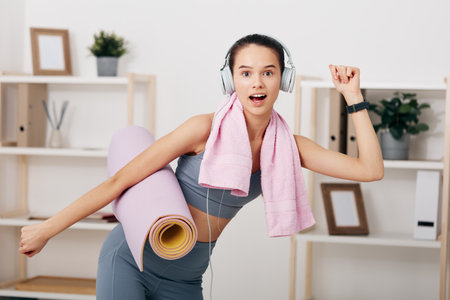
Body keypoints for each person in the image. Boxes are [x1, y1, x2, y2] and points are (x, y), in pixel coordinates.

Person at [19, 34, 384, 299]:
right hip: (131, 257)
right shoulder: (203, 130)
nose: (257, 82)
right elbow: (120, 181)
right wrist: (47, 230)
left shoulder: (288, 147)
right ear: (231, 80)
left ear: (282, 81)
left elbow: (370, 170)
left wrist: (353, 97)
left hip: (188, 274)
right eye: (245, 72)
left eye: (268, 72)